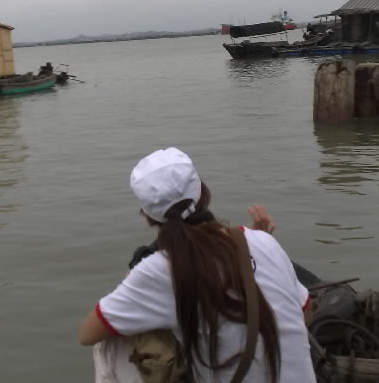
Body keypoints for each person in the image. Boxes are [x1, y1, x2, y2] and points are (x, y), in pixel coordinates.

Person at [78, 148, 315, 383]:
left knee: (110, 343)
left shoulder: (161, 268)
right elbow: (304, 312)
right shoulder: (263, 241)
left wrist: (135, 284)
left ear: (148, 216)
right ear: (204, 194)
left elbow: (87, 333)